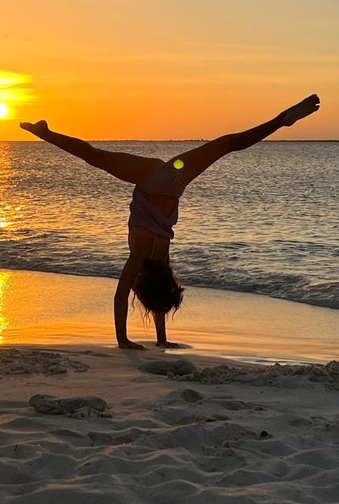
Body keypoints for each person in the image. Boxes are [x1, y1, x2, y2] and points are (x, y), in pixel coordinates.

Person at [20, 94, 321, 349]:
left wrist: (147, 340)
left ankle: (278, 121)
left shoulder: (160, 258)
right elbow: (121, 295)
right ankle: (278, 121)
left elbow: (155, 291)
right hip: (156, 179)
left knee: (225, 143)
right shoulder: (142, 258)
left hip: (174, 180)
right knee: (95, 156)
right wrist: (124, 340)